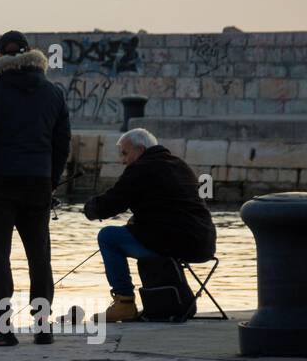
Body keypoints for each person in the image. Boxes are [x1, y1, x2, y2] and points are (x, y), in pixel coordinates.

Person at [0, 31, 71, 347]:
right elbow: (62, 142)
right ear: (30, 55)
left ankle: (2, 327)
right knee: (39, 256)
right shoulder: (52, 93)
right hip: (38, 185)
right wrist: (51, 179)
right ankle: (42, 325)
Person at [83, 128, 216, 322]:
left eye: (125, 153)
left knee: (108, 237)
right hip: (204, 244)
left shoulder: (141, 169)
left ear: (140, 150)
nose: (123, 160)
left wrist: (89, 209)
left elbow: (111, 203)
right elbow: (167, 207)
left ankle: (124, 302)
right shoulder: (179, 165)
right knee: (134, 230)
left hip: (174, 244)